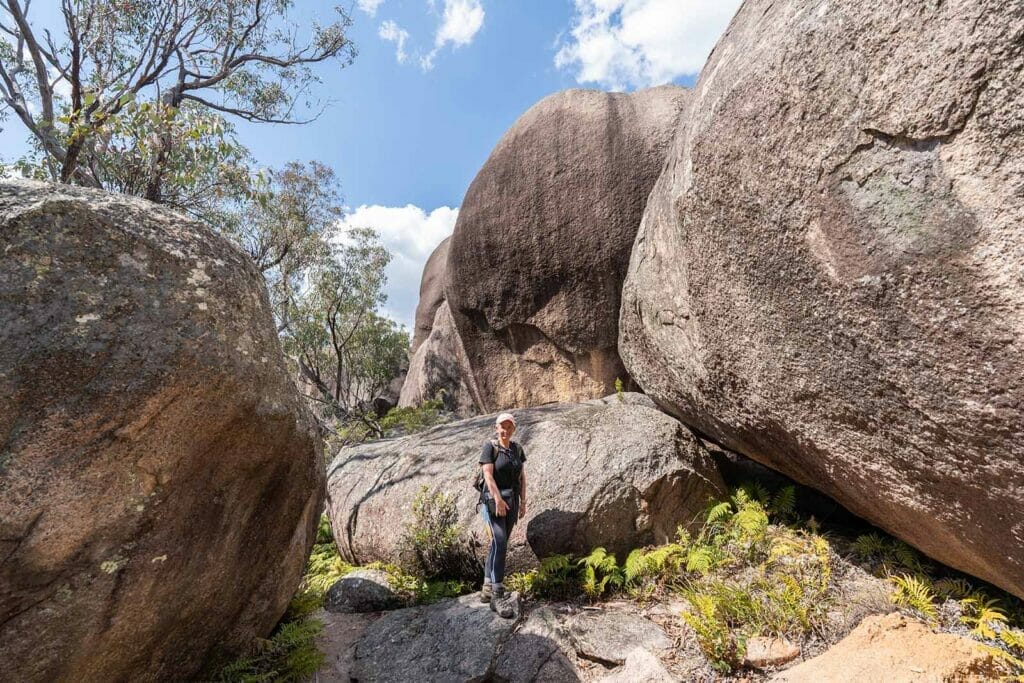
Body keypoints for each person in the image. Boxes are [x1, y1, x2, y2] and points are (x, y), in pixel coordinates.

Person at [478, 411, 527, 618]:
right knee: (500, 541)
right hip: (493, 501)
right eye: (502, 426)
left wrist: (523, 501)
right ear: (496, 428)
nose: (505, 430)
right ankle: (497, 594)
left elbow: (522, 477)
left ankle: (487, 586)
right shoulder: (490, 447)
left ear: (513, 429)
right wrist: (497, 499)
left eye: (509, 427)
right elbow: (487, 475)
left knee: (499, 543)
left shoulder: (517, 449)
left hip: (512, 501)